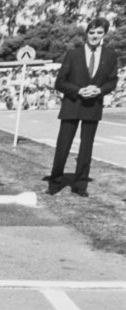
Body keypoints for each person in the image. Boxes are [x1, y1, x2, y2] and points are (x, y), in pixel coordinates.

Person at [47, 17, 120, 197]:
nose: (95, 36)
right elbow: (60, 82)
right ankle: (55, 181)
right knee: (63, 146)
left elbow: (112, 81)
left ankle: (80, 185)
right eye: (92, 32)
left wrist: (99, 90)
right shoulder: (73, 54)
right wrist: (79, 91)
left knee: (86, 149)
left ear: (104, 34)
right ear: (86, 33)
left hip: (93, 106)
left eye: (99, 33)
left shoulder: (110, 55)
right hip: (72, 104)